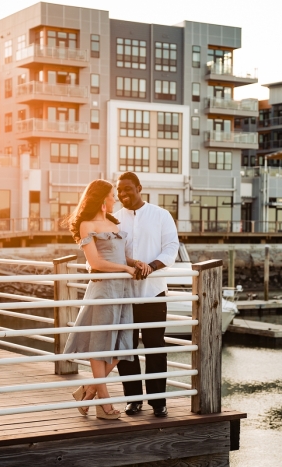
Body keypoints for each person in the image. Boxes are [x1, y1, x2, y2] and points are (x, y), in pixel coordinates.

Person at [63, 179, 145, 420]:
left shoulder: (113, 223)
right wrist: (125, 269)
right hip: (104, 289)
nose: (115, 199)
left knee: (123, 345)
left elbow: (120, 255)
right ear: (101, 199)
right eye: (111, 195)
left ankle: (88, 391)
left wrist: (134, 263)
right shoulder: (86, 226)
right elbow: (96, 263)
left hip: (123, 291)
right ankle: (104, 403)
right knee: (100, 346)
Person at [114, 172, 179, 417]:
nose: (123, 195)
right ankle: (133, 399)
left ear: (139, 188)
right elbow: (113, 252)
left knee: (154, 347)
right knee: (126, 348)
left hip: (154, 292)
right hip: (124, 294)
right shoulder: (115, 220)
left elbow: (172, 247)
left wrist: (151, 266)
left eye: (128, 189)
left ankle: (158, 401)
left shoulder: (161, 215)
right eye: (119, 191)